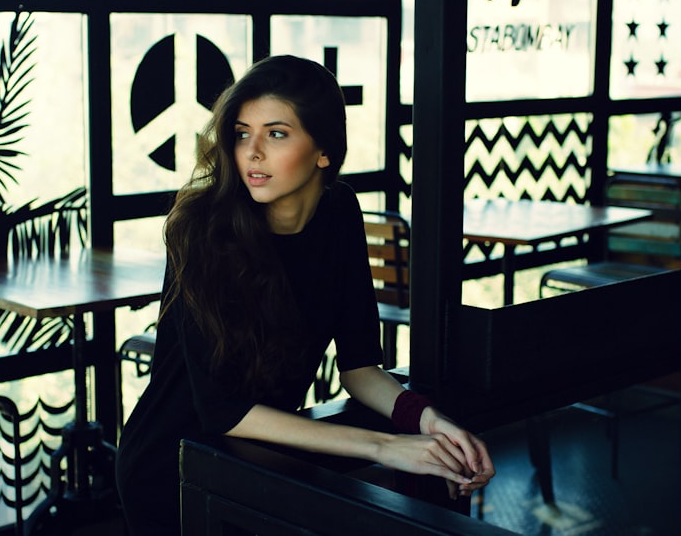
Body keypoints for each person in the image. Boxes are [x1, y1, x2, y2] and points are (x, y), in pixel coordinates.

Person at [116, 54, 494, 534]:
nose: (252, 152)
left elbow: (359, 368)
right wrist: (385, 447)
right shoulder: (202, 229)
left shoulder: (339, 211)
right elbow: (222, 410)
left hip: (261, 457)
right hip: (170, 466)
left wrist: (427, 421)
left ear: (324, 151)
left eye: (276, 134)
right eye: (241, 133)